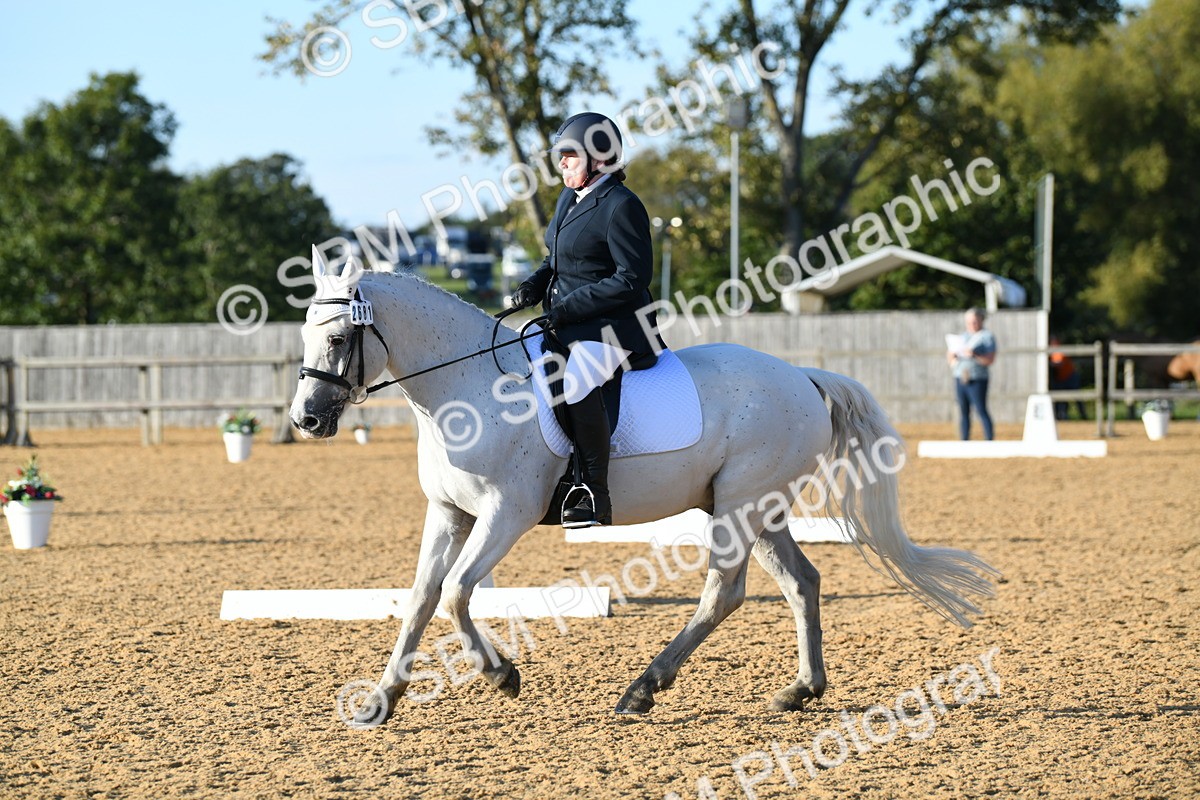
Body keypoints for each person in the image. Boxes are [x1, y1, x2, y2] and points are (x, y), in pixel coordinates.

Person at [510, 112, 660, 527]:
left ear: (599, 158)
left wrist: (568, 307)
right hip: (568, 322)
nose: (562, 164)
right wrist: (535, 283)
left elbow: (632, 278)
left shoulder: (622, 205)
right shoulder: (568, 198)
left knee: (576, 385)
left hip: (616, 327)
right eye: (561, 156)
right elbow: (556, 259)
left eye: (570, 156)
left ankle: (593, 491)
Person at [947, 307, 997, 440]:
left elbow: (990, 360)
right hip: (961, 377)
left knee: (981, 409)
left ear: (981, 320)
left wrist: (974, 355)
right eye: (969, 322)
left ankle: (989, 440)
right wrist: (953, 356)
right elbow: (950, 357)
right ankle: (964, 440)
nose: (972, 325)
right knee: (963, 411)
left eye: (975, 321)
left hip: (977, 378)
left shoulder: (986, 337)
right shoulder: (962, 337)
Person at [1048, 335, 1087, 420]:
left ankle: (1083, 416)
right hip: (1061, 379)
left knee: (1077, 397)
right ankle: (1062, 416)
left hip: (1070, 377)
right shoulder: (1052, 353)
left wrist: (1050, 363)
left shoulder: (1059, 352)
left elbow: (1059, 364)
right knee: (1062, 399)